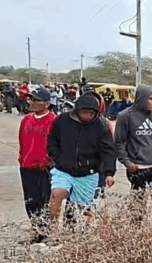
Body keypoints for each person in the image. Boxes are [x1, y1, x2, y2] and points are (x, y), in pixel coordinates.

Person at [46, 93, 115, 229]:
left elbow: (108, 151)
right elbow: (52, 141)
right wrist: (58, 158)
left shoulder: (101, 125)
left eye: (91, 113)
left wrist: (109, 173)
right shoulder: (63, 120)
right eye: (84, 112)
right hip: (63, 169)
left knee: (81, 210)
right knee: (56, 195)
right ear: (77, 111)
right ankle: (52, 231)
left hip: (88, 173)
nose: (87, 116)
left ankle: (77, 233)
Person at [115, 86, 152, 194]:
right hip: (137, 167)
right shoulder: (125, 116)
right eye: (151, 99)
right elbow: (119, 142)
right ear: (142, 99)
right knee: (138, 200)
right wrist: (127, 163)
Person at [18, 89, 57, 244]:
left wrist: (48, 161)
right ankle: (37, 230)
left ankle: (46, 232)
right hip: (27, 166)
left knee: (44, 201)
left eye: (36, 100)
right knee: (30, 201)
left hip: (44, 168)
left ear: (46, 104)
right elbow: (22, 140)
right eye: (31, 99)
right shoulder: (26, 119)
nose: (32, 103)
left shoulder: (54, 120)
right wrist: (22, 158)